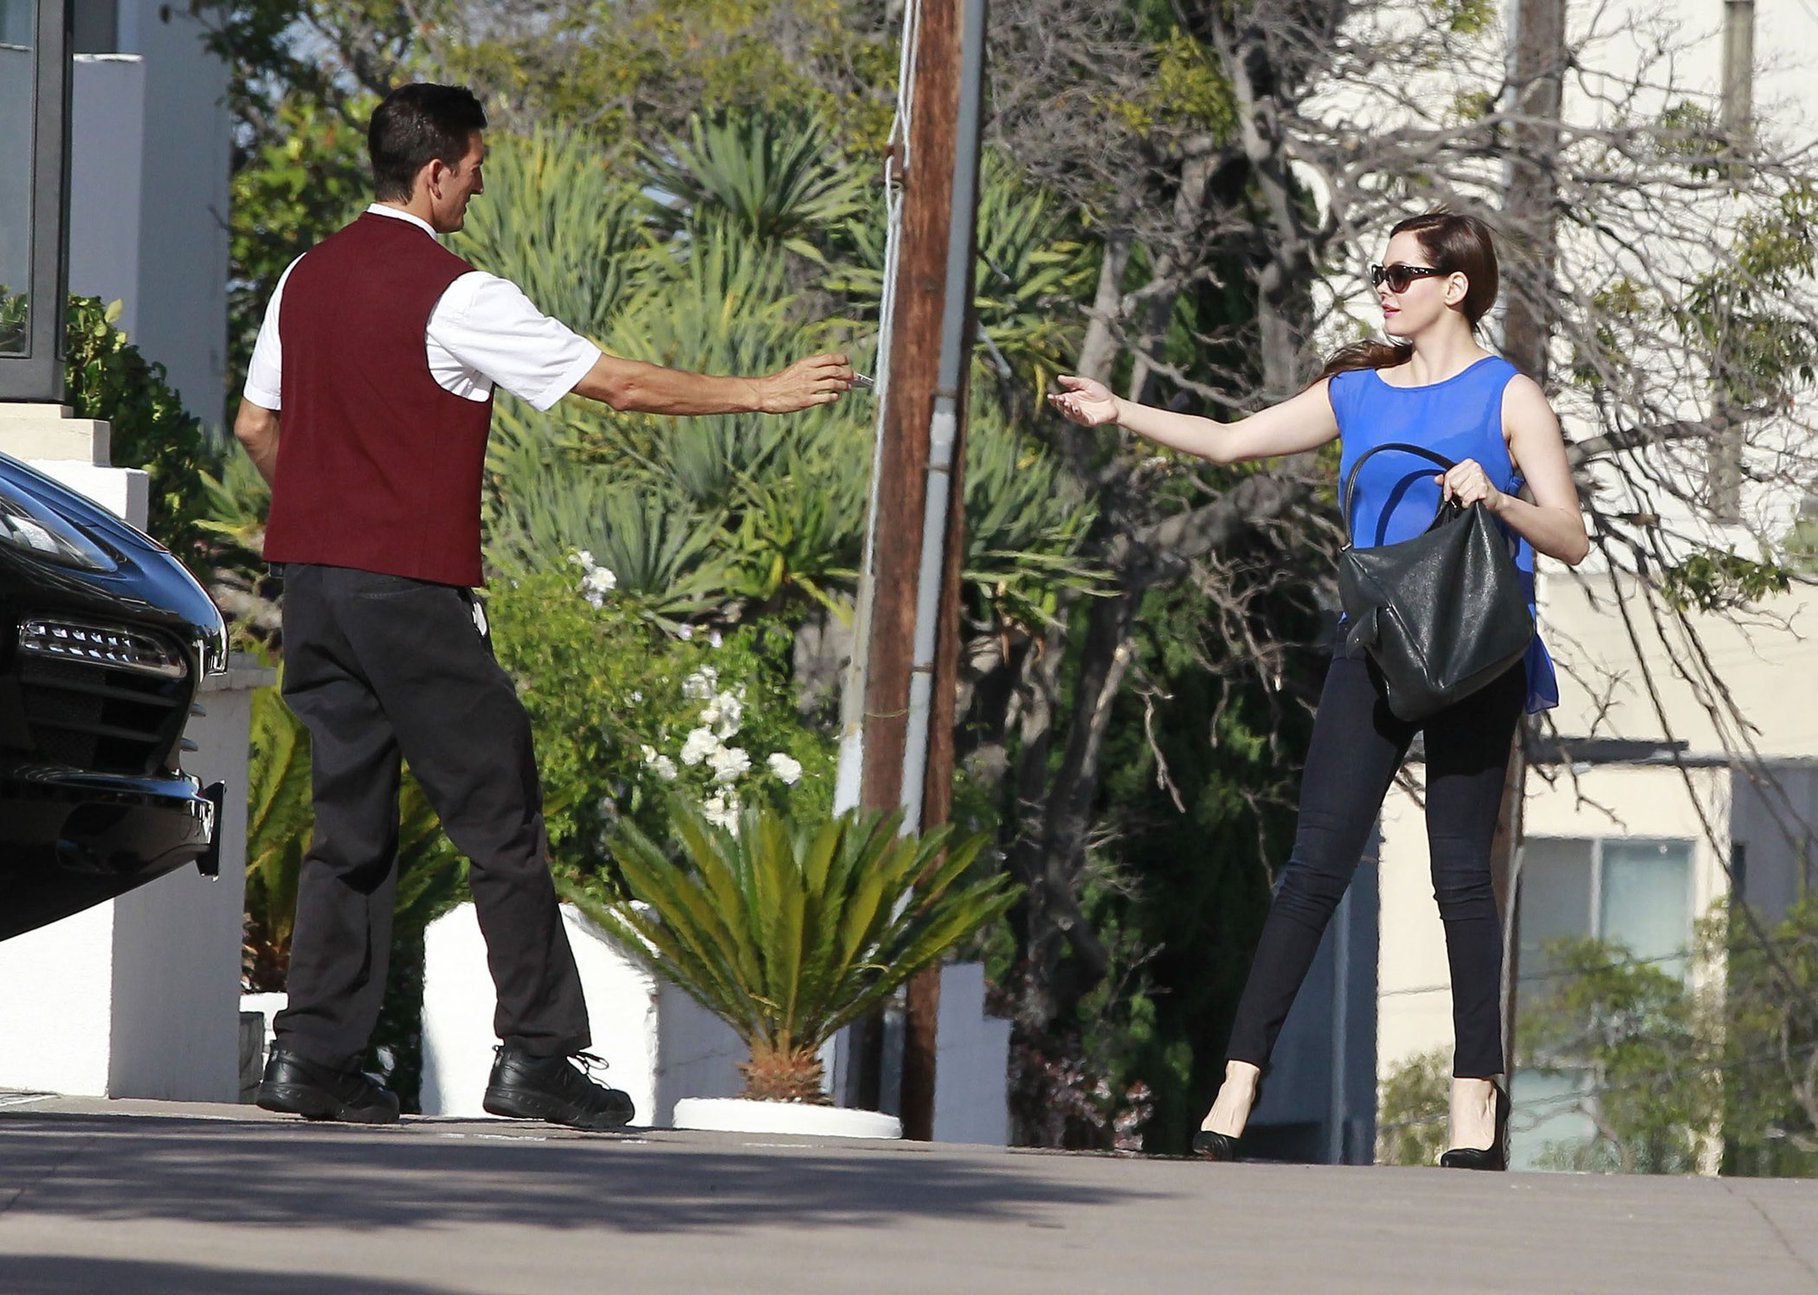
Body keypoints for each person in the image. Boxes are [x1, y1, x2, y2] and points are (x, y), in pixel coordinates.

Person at [234, 83, 853, 1129]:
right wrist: (759, 391)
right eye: (474, 165)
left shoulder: (303, 276)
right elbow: (610, 382)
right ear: (435, 173)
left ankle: (315, 1056)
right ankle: (537, 1054)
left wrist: (327, 523)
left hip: (316, 590)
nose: (480, 181)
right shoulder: (458, 294)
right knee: (501, 816)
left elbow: (256, 424)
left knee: (349, 826)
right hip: (410, 593)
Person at [1049, 211, 1588, 1169]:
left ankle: (1473, 1104)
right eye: (1378, 271)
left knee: (1461, 875)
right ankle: (1237, 1085)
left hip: (1473, 654)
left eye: (1403, 272)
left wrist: (1497, 497)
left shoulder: (1511, 398)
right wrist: (1118, 411)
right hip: (1374, 650)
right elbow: (1226, 443)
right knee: (1311, 871)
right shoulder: (1357, 394)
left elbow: (1569, 535)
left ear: (1454, 286)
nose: (1384, 286)